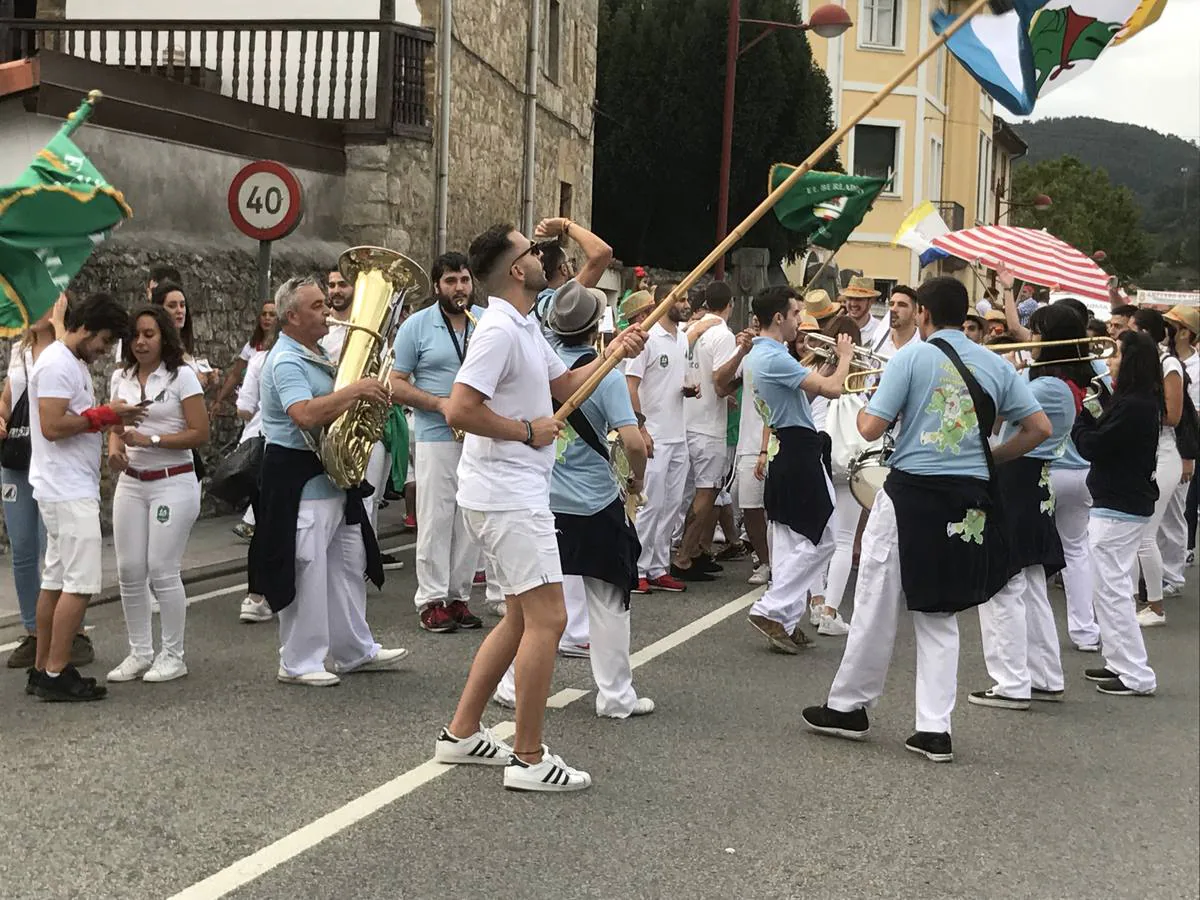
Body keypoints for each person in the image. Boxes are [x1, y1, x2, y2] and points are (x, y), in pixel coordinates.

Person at [433, 223, 645, 792]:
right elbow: (459, 410)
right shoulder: (499, 331)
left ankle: (461, 733)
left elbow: (567, 383)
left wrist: (615, 352)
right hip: (508, 495)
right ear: (517, 270)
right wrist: (528, 431)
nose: (540, 253)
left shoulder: (526, 324)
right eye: (530, 249)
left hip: (512, 493)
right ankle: (527, 757)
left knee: (522, 616)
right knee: (550, 618)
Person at [802, 277, 1050, 763]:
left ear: (924, 314)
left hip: (911, 490)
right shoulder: (996, 363)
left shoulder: (911, 358)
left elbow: (869, 426)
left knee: (876, 596)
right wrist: (991, 457)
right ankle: (935, 729)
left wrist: (878, 396)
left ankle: (850, 705)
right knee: (940, 608)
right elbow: (1039, 428)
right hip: (968, 495)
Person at [494, 282, 652, 716]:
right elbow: (634, 443)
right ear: (595, 326)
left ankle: (510, 685)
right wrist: (636, 482)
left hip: (543, 497)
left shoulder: (536, 368)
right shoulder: (608, 375)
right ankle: (616, 696)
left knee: (527, 604)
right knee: (608, 598)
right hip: (595, 502)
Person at [251, 275, 409, 687]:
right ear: (292, 316)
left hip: (331, 476)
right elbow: (302, 413)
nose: (328, 312)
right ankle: (299, 660)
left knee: (346, 565)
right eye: (318, 306)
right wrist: (357, 390)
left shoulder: (316, 351)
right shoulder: (286, 360)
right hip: (299, 479)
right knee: (308, 569)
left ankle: (354, 649)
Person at [969, 305, 1091, 709]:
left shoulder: (1048, 388)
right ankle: (1044, 675)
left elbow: (996, 410)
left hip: (1020, 480)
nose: (1032, 340)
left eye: (1037, 333)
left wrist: (992, 365)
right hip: (1030, 483)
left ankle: (1010, 682)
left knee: (1003, 582)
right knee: (1032, 583)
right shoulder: (1052, 382)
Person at [27, 293, 145, 700]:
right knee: (79, 583)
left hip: (61, 486)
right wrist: (106, 415)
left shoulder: (66, 359)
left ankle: (43, 667)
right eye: (104, 340)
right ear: (87, 328)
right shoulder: (60, 363)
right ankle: (58, 672)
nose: (104, 350)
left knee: (56, 581)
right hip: (67, 489)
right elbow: (53, 426)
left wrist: (106, 415)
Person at [742, 286, 854, 653]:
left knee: (794, 541)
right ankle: (770, 609)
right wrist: (845, 357)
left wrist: (821, 367)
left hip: (785, 445)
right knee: (825, 538)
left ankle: (784, 621)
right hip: (797, 449)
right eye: (795, 314)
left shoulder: (763, 355)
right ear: (779, 317)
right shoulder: (774, 357)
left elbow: (802, 396)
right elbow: (837, 389)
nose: (800, 322)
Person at [106, 306, 210, 683]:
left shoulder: (182, 376)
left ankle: (173, 654)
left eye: (149, 334)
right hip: (132, 482)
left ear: (163, 336)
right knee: (130, 570)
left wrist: (151, 438)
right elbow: (115, 424)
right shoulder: (122, 377)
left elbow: (200, 433)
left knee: (162, 568)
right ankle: (139, 652)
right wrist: (114, 448)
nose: (140, 342)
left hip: (174, 479)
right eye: (135, 335)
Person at [389, 251, 490, 633]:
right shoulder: (416, 326)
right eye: (450, 281)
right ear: (437, 286)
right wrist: (439, 404)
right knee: (435, 518)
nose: (459, 288)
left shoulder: (483, 322)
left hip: (479, 434)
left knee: (469, 518)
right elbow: (396, 383)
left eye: (464, 280)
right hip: (436, 434)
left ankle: (458, 597)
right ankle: (431, 600)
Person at [0, 299, 94, 670]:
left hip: (55, 467)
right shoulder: (19, 349)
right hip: (18, 460)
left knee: (56, 551)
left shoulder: (67, 351)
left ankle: (74, 634)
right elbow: (10, 395)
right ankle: (34, 632)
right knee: (23, 548)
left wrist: (58, 326)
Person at [1070, 329, 1160, 696]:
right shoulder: (1133, 401)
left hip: (1119, 507)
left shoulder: (1136, 405)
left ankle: (1136, 673)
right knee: (1108, 588)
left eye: (1117, 354)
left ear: (1132, 361)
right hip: (1119, 503)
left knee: (1113, 591)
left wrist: (1081, 419)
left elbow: (1094, 445)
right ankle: (1120, 662)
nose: (1110, 359)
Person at [320, 263, 401, 571]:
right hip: (329, 424)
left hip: (363, 430)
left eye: (343, 284)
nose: (337, 290)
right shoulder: (322, 332)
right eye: (332, 285)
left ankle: (364, 559)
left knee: (369, 498)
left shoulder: (376, 332)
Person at [626, 286, 691, 593]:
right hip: (655, 435)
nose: (687, 305)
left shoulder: (682, 338)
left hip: (678, 433)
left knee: (672, 504)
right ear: (667, 303)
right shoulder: (647, 339)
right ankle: (635, 567)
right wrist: (641, 429)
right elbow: (631, 385)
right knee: (649, 505)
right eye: (682, 300)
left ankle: (657, 566)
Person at [672, 281, 738, 580]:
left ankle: (692, 550)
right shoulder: (723, 334)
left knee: (686, 493)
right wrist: (741, 380)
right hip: (709, 423)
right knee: (707, 492)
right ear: (729, 304)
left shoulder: (689, 330)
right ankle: (685, 556)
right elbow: (721, 382)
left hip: (686, 418)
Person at [1128, 308, 1183, 627]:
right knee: (1136, 534)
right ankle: (1136, 601)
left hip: (1165, 455)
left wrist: (1133, 411)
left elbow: (1173, 415)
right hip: (1146, 454)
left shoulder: (1168, 364)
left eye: (1131, 330)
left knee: (1145, 533)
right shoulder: (1144, 364)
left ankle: (1156, 607)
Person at [1157, 306, 1198, 592]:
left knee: (1174, 512)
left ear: (1185, 332)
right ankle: (1156, 571)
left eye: (1172, 325)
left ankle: (1173, 575)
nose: (1165, 329)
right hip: (1157, 444)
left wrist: (1188, 457)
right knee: (1154, 515)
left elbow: (1192, 419)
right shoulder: (1160, 358)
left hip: (1181, 445)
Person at [150, 281, 220, 392]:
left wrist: (208, 378)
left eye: (182, 305)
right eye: (172, 306)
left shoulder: (184, 345)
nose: (179, 311)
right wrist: (192, 380)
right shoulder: (156, 347)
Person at [211, 300, 278, 413]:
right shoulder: (251, 346)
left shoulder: (282, 345)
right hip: (253, 407)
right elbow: (235, 375)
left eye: (272, 314)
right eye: (264, 314)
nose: (267, 317)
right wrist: (219, 399)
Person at [839, 276, 883, 348]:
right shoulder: (836, 325)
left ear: (871, 301)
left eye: (859, 299)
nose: (853, 304)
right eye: (850, 298)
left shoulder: (880, 330)